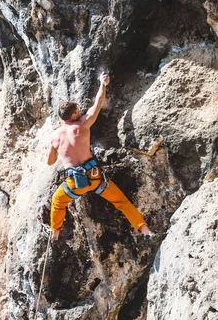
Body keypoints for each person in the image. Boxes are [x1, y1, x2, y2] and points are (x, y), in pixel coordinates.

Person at [47, 72, 155, 240]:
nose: (81, 111)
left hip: (75, 183)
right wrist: (102, 84)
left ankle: (55, 232)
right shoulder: (82, 125)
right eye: (79, 110)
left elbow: (50, 162)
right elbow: (98, 104)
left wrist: (55, 149)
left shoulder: (55, 137)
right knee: (122, 202)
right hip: (95, 177)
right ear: (74, 115)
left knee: (57, 202)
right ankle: (145, 231)